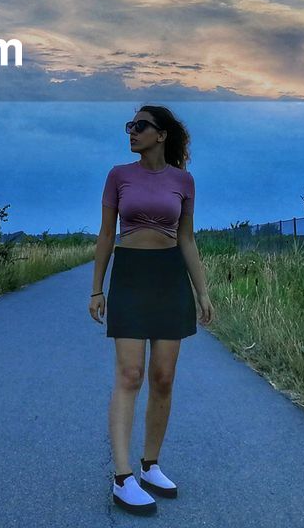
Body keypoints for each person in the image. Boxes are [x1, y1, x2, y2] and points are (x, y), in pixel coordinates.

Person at [89, 105, 214, 515]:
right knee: (130, 374)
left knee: (163, 376)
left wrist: (202, 292)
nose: (132, 132)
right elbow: (107, 234)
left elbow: (188, 240)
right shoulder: (118, 175)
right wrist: (97, 289)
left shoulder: (184, 181)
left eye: (140, 126)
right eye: (130, 126)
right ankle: (122, 477)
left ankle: (150, 465)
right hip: (129, 275)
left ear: (161, 135)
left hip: (169, 278)